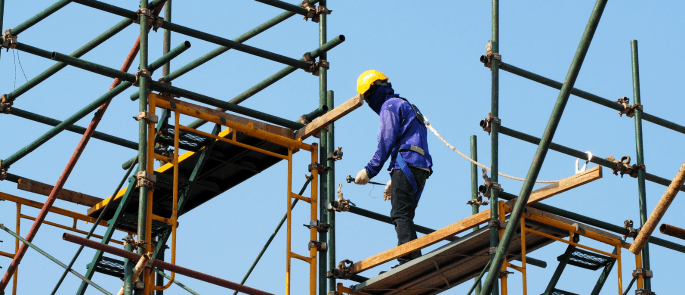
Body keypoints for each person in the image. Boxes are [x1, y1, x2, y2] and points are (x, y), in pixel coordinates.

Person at [353, 70, 433, 265]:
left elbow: (386, 141)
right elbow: (413, 139)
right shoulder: (408, 106)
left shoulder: (389, 106)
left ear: (376, 88)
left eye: (369, 96)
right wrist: (393, 178)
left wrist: (369, 170)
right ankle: (412, 257)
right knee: (406, 214)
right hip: (420, 167)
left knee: (400, 214)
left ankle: (409, 259)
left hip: (407, 164)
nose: (371, 102)